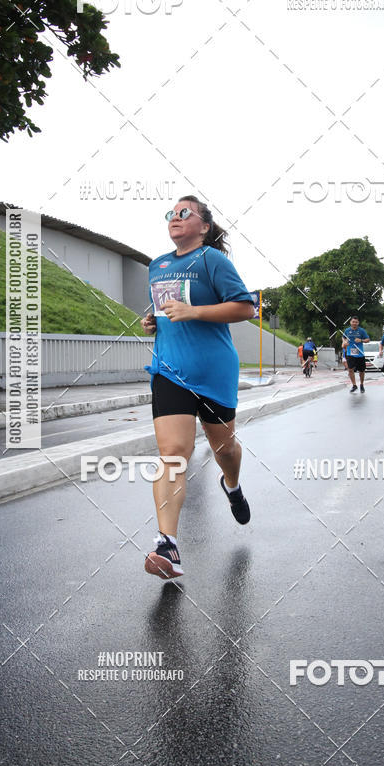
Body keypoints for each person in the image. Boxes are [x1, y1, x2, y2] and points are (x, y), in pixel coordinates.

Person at [141, 195, 255, 580]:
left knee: (225, 449)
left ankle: (233, 485)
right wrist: (152, 321)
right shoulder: (157, 265)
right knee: (174, 452)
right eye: (172, 213)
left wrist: (195, 312)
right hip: (170, 370)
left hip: (214, 372)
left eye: (184, 212)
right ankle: (166, 544)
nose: (175, 217)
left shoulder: (212, 260)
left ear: (204, 226)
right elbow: (164, 310)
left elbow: (244, 307)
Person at [342, 316, 370, 393]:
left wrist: (361, 340)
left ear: (358, 323)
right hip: (350, 353)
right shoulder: (347, 330)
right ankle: (354, 385)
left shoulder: (362, 331)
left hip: (360, 354)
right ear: (350, 322)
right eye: (353, 322)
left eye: (356, 322)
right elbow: (344, 337)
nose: (354, 323)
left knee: (361, 371)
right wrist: (344, 342)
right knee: (350, 369)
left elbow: (368, 340)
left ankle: (361, 384)